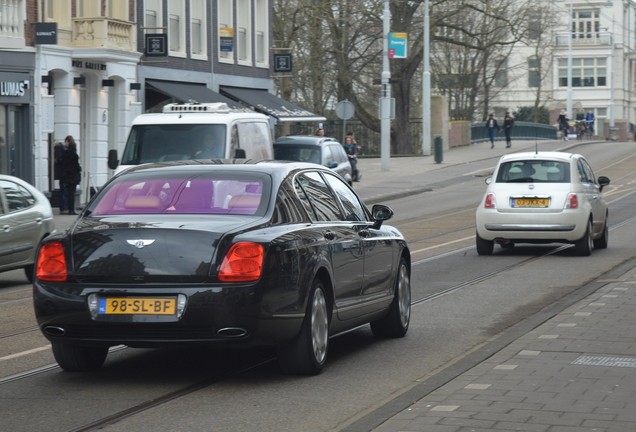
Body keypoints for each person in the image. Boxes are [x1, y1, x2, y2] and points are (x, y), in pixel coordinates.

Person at [59, 135, 81, 215]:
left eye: (66, 141)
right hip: (73, 177)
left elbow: (61, 164)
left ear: (68, 142)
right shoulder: (74, 154)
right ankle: (71, 209)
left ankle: (67, 209)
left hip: (66, 177)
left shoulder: (65, 153)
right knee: (71, 194)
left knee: (66, 193)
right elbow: (76, 167)